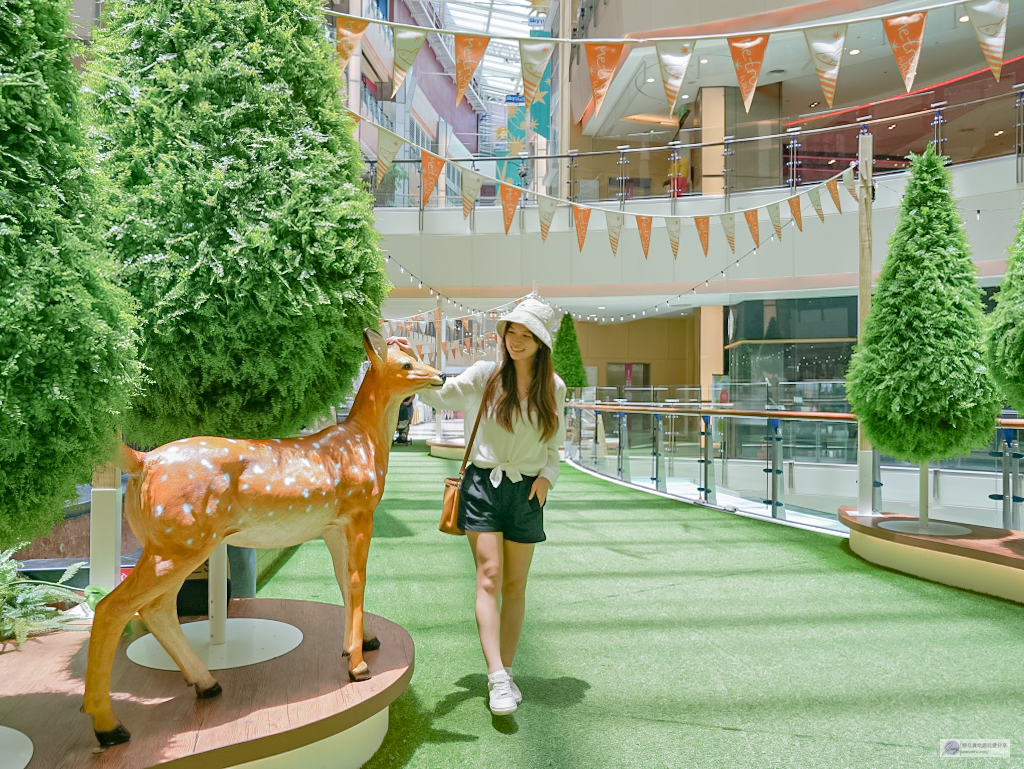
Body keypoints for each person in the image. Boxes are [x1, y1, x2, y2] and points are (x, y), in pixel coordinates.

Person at [387, 298, 565, 716]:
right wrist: (409, 359)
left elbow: (555, 448)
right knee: (489, 576)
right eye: (511, 332)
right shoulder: (486, 374)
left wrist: (545, 480)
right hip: (483, 485)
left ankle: (507, 670)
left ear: (541, 342)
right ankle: (497, 678)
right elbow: (440, 395)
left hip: (526, 493)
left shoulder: (553, 387)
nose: (516, 341)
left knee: (514, 587)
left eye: (526, 334)